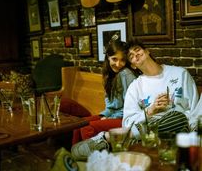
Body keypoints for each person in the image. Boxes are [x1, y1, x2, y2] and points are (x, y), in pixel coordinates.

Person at [71, 39, 199, 161]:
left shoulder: (180, 74)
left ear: (147, 51)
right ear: (133, 65)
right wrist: (151, 110)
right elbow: (127, 122)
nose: (135, 55)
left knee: (178, 118)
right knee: (81, 128)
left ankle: (109, 138)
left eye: (137, 50)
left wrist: (193, 137)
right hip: (149, 135)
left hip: (179, 129)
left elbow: (195, 110)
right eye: (131, 56)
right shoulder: (135, 87)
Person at [72, 39, 137, 147]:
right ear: (107, 57)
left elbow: (129, 107)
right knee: (78, 124)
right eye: (114, 59)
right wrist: (104, 115)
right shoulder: (109, 75)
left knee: (87, 128)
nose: (118, 64)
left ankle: (95, 158)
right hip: (114, 116)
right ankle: (74, 154)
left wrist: (110, 118)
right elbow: (109, 105)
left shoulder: (126, 74)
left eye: (122, 60)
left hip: (125, 118)